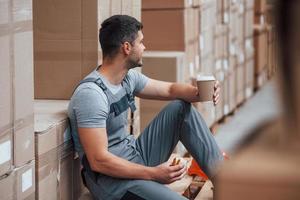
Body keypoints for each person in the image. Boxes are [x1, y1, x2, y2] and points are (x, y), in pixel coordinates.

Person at [68, 15, 223, 200]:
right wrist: (153, 173)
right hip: (111, 181)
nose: (144, 47)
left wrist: (201, 92)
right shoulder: (91, 95)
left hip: (135, 155)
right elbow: (99, 161)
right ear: (126, 47)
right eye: (141, 42)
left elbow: (170, 89)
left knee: (181, 109)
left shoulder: (127, 78)